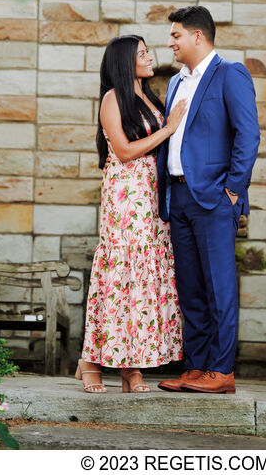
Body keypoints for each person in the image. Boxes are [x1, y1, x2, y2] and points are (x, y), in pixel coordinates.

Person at [156, 6, 260, 395]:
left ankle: (221, 369)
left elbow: (247, 136)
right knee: (191, 289)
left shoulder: (229, 74)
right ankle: (196, 367)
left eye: (176, 35)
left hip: (215, 198)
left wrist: (232, 191)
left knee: (219, 288)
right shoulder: (175, 83)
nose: (170, 42)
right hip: (178, 197)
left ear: (198, 36)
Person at [76, 34, 188, 394]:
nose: (150, 56)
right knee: (122, 275)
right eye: (142, 53)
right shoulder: (113, 98)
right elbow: (123, 151)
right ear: (126, 62)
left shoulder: (149, 97)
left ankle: (131, 367)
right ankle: (91, 362)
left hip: (151, 197)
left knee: (143, 281)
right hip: (126, 198)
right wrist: (169, 127)